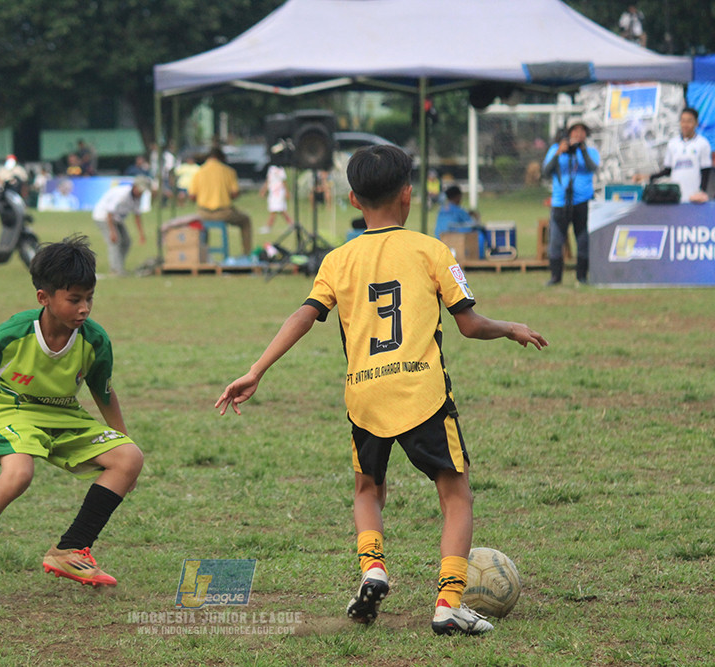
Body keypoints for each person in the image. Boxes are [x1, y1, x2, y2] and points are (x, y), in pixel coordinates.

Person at [215, 145, 547, 636]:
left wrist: (257, 369)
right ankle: (448, 603)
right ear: (408, 194)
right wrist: (510, 326)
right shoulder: (432, 250)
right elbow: (470, 325)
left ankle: (373, 568)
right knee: (455, 495)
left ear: (352, 199)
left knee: (367, 489)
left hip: (365, 396)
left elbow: (303, 316)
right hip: (422, 392)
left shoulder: (337, 259)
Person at [0, 236, 144, 604]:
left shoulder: (94, 341)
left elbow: (103, 392)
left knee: (130, 458)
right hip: (10, 408)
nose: (84, 308)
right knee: (18, 474)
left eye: (89, 298)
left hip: (62, 413)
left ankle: (71, 550)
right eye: (74, 299)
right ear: (44, 298)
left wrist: (121, 441)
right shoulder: (13, 333)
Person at [541, 121, 600, 286]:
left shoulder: (591, 152)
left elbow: (592, 167)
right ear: (568, 133)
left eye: (582, 131)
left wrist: (582, 150)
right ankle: (555, 277)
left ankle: (582, 276)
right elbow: (545, 172)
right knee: (556, 239)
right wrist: (559, 152)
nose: (578, 134)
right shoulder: (556, 150)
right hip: (560, 202)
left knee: (582, 240)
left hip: (582, 202)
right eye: (575, 130)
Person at [638, 108, 712, 204]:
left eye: (689, 121)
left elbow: (705, 172)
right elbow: (668, 170)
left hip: (694, 198)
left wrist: (701, 192)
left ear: (696, 123)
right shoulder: (673, 144)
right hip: (675, 198)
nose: (686, 125)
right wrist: (648, 177)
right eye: (683, 121)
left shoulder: (703, 144)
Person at [189, 147, 253, 257]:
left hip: (203, 213)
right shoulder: (228, 171)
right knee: (245, 220)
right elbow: (235, 194)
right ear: (221, 158)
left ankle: (203, 256)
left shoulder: (198, 172)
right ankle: (246, 254)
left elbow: (192, 197)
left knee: (202, 228)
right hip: (224, 213)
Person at [91, 176, 148, 276]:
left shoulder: (138, 198)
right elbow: (109, 213)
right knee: (115, 241)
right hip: (103, 217)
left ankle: (119, 266)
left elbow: (137, 216)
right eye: (139, 190)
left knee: (126, 241)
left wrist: (141, 234)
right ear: (134, 187)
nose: (140, 193)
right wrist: (112, 232)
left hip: (117, 218)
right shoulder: (122, 195)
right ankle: (115, 269)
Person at [434, 185, 488, 257]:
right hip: (453, 236)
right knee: (479, 233)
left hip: (439, 237)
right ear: (458, 197)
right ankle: (479, 257)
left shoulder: (441, 209)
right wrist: (477, 217)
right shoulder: (459, 210)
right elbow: (472, 224)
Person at [258, 164, 292, 233]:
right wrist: (264, 190)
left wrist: (287, 192)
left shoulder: (281, 170)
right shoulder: (271, 169)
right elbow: (268, 180)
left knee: (274, 210)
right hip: (272, 192)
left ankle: (268, 227)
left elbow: (284, 181)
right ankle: (291, 224)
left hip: (279, 192)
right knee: (281, 210)